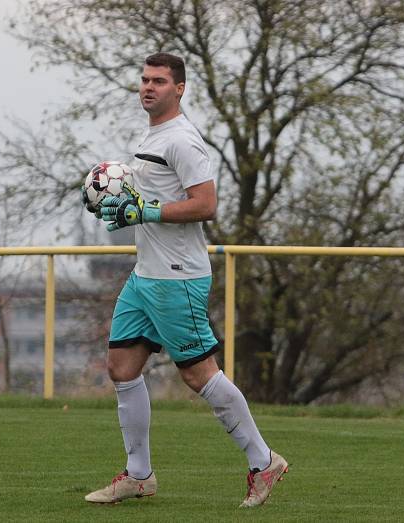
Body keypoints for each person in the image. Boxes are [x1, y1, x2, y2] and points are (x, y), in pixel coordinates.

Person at [80, 52, 287, 508]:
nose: (148, 87)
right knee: (122, 367)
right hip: (146, 275)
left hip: (177, 277)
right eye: (144, 80)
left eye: (159, 81)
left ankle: (263, 460)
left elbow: (206, 204)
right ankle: (139, 475)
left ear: (180, 88)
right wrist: (118, 198)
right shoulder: (151, 134)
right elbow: (150, 196)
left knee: (199, 375)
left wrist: (148, 211)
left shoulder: (184, 140)